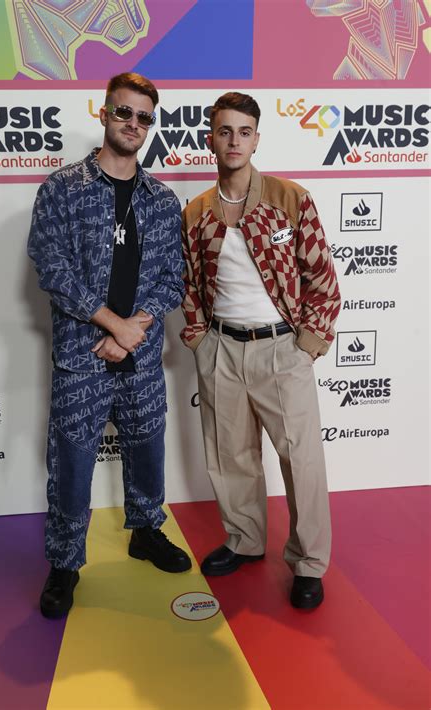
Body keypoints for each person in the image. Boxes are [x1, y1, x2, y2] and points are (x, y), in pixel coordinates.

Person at [28, 72, 191, 620]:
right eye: (124, 112)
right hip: (81, 355)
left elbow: (173, 279)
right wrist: (110, 324)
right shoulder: (62, 188)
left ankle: (146, 531)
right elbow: (52, 267)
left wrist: (135, 328)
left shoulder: (163, 200)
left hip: (141, 355)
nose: (133, 124)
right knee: (72, 461)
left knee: (148, 447)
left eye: (144, 117)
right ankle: (65, 563)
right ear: (103, 113)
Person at [180, 92, 341, 609]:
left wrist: (308, 345)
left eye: (243, 131)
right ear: (211, 137)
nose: (233, 141)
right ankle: (245, 541)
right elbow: (187, 283)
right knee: (232, 457)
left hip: (281, 349)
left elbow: (321, 276)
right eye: (224, 131)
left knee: (302, 461)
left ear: (256, 138)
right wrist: (200, 341)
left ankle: (309, 562)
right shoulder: (197, 211)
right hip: (222, 348)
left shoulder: (289, 199)